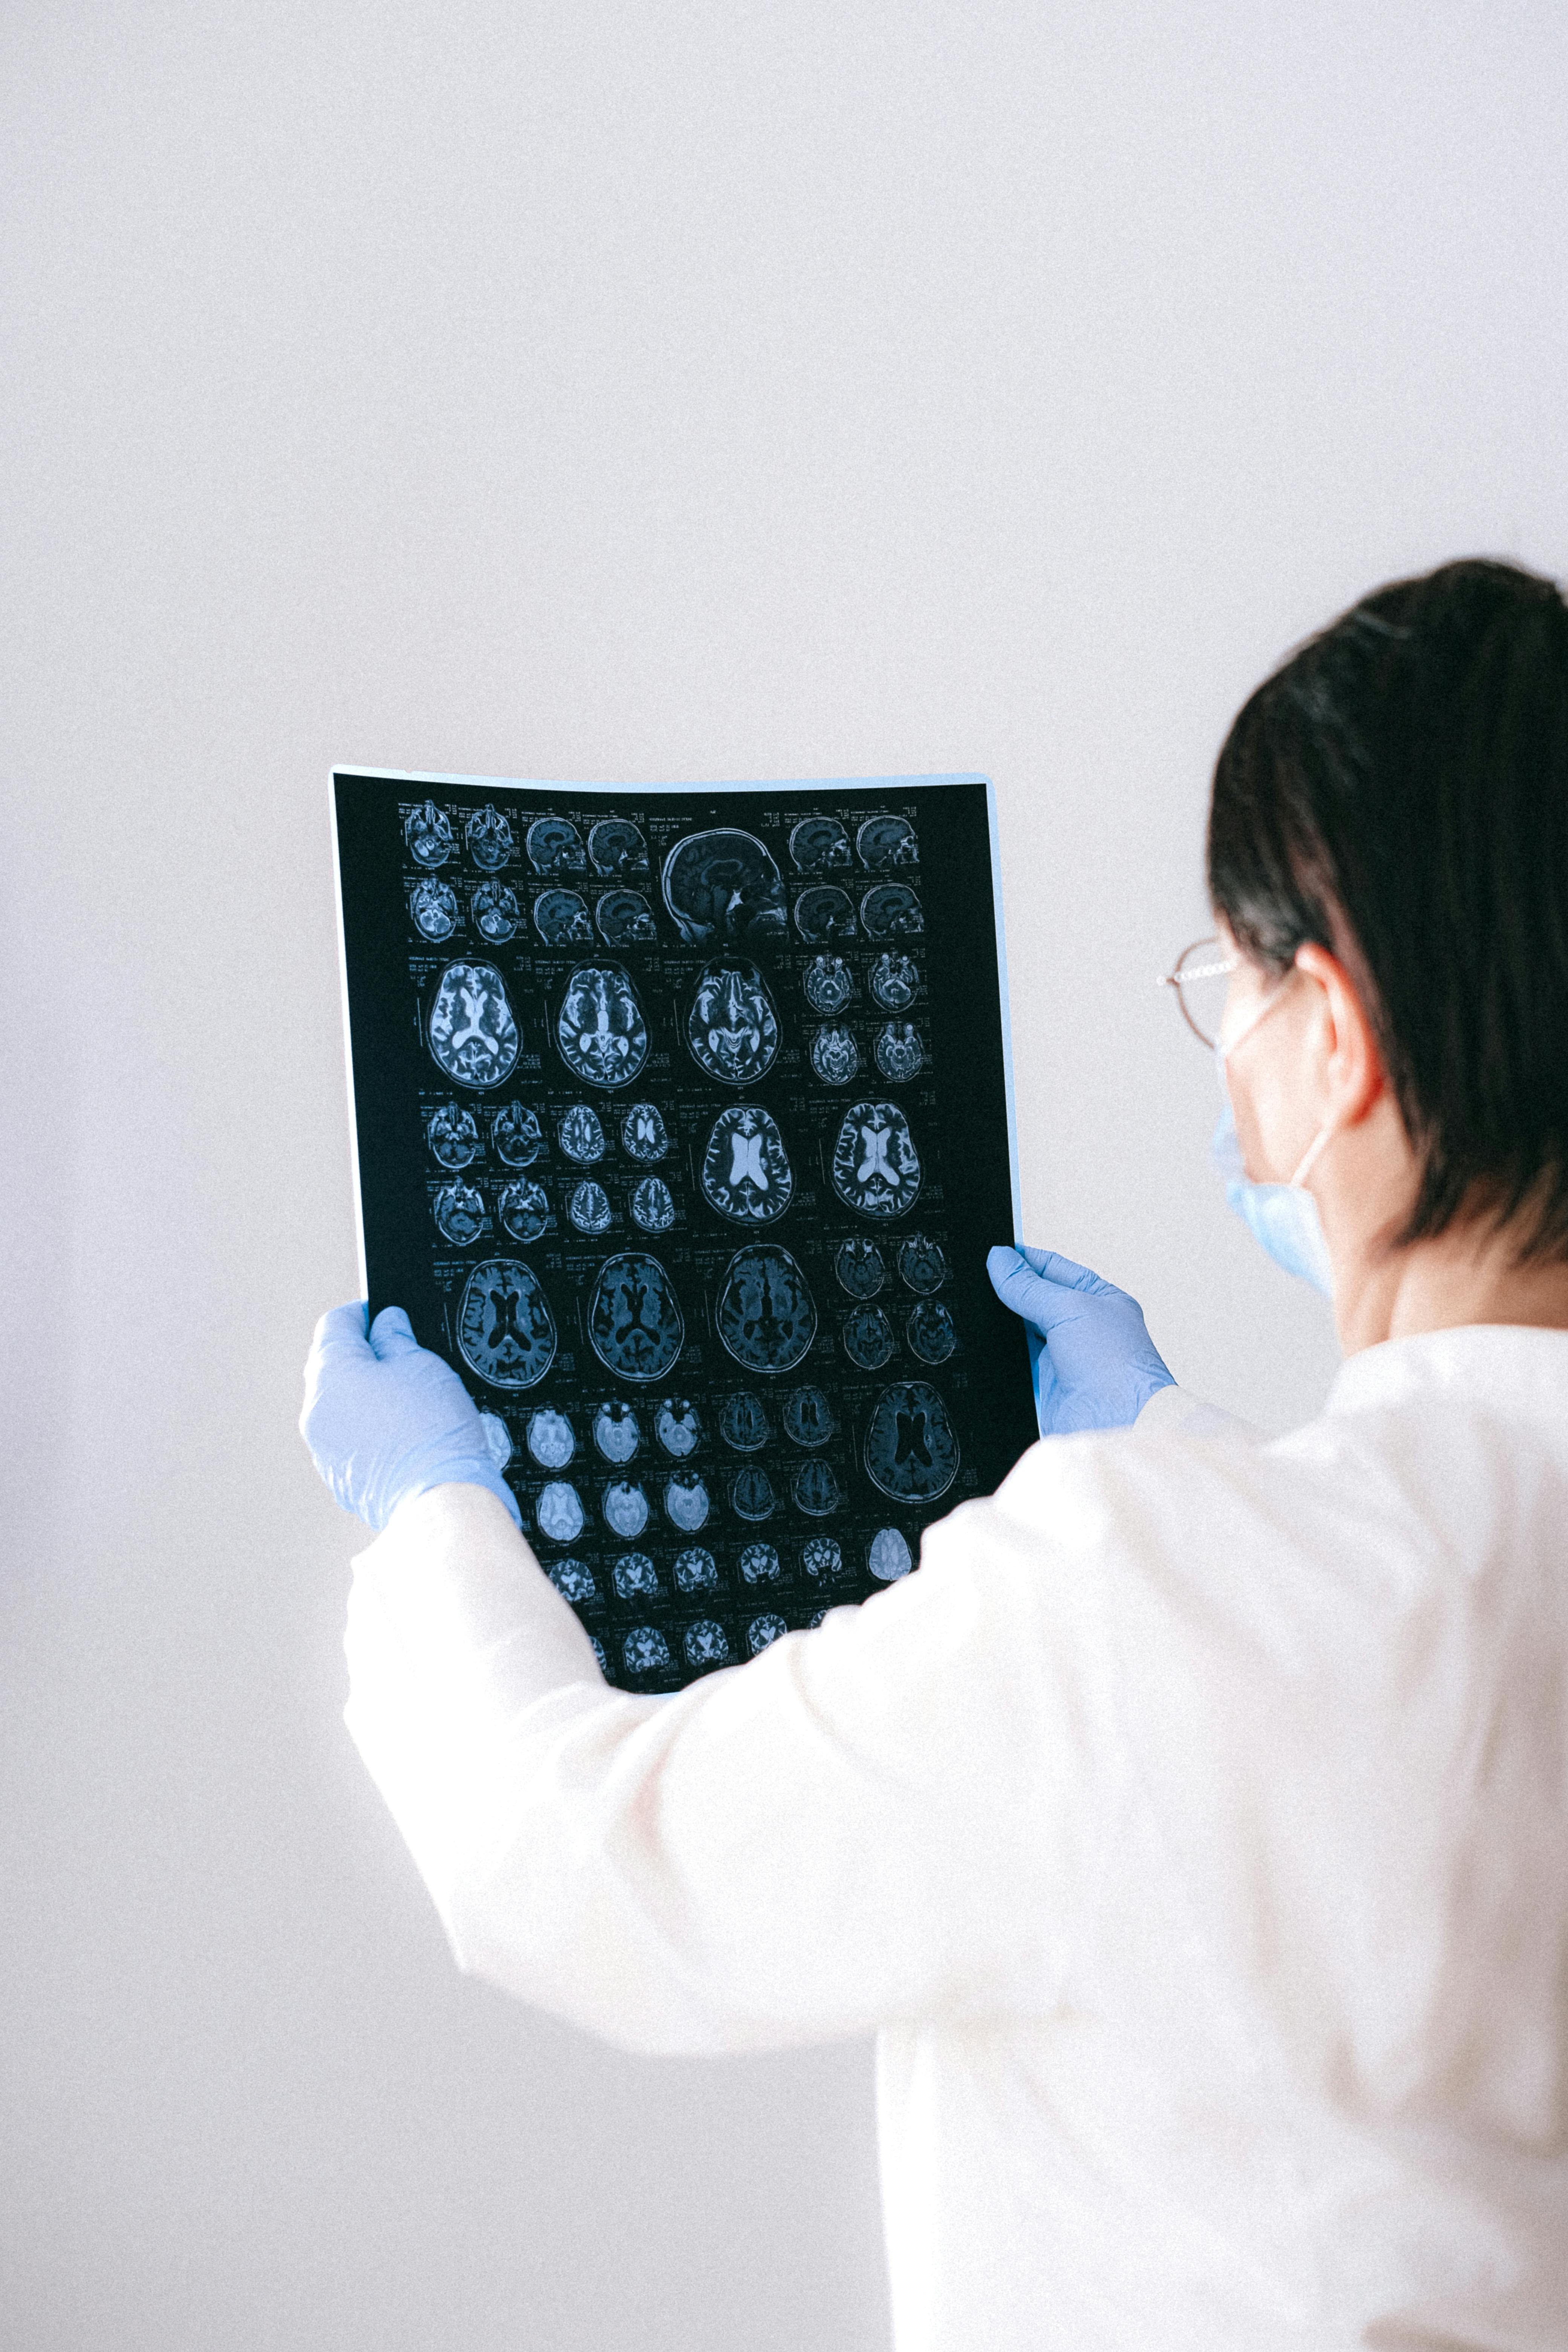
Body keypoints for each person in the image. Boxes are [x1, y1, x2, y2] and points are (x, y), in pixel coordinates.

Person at [302, 558, 1568, 2350]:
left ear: (1337, 1042)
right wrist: (1185, 1446)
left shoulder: (1137, 1597)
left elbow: (574, 1866)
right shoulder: (1211, 1579)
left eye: (1236, 989)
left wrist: (429, 1513)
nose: (1227, 1065)